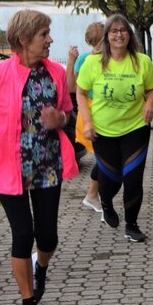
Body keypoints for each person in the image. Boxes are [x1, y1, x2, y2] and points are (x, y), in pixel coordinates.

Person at [0, 10, 79, 305]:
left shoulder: (54, 73)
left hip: (46, 167)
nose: (50, 40)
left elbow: (68, 112)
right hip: (8, 168)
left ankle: (41, 268)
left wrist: (61, 120)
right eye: (44, 34)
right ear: (24, 39)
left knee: (48, 236)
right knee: (22, 233)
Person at [76, 15, 153, 243]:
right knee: (110, 179)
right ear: (107, 36)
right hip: (103, 131)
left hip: (136, 128)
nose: (119, 34)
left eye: (123, 30)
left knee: (133, 179)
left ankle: (131, 225)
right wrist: (88, 122)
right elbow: (81, 92)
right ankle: (105, 202)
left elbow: (152, 89)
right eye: (114, 31)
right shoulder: (93, 63)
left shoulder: (142, 61)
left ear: (129, 35)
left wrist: (150, 104)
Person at [67, 21, 105, 214]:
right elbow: (73, 88)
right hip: (92, 112)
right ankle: (92, 195)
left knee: (104, 157)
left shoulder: (82, 58)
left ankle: (95, 195)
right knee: (103, 157)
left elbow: (71, 87)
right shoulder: (88, 59)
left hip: (91, 111)